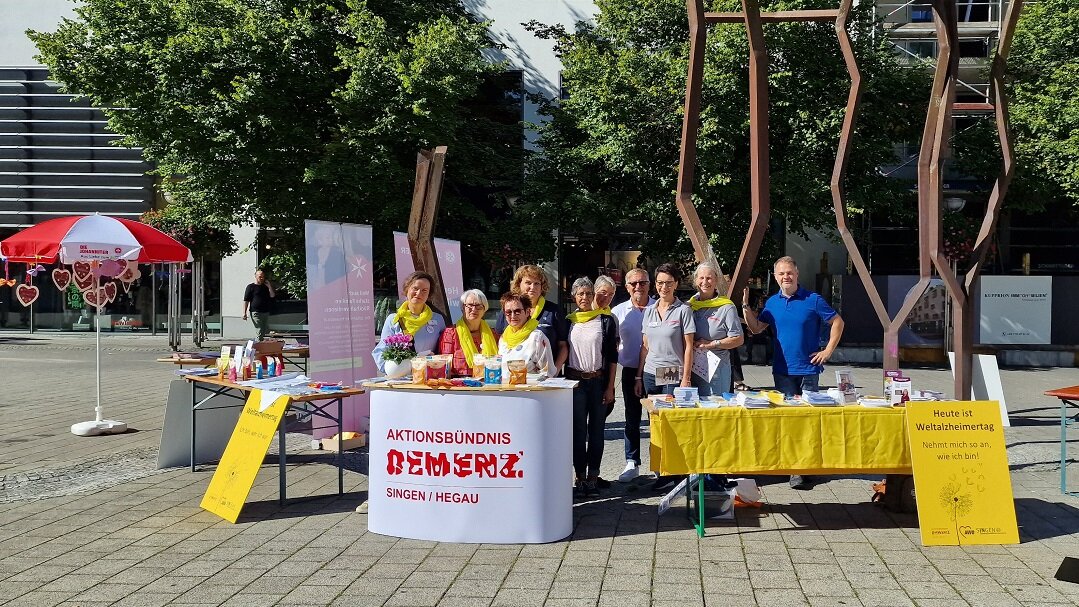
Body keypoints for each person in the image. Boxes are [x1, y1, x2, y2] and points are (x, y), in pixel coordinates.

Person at [743, 256, 845, 490]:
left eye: (789, 273)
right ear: (776, 277)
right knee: (788, 420)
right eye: (781, 274)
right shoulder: (772, 303)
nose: (786, 277)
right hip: (783, 371)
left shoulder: (813, 299)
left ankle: (804, 468)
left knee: (807, 420)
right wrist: (746, 306)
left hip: (808, 369)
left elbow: (838, 322)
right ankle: (793, 466)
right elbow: (756, 328)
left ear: (796, 274)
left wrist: (828, 350)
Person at [565, 278, 618, 498]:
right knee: (578, 432)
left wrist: (610, 387)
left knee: (597, 431)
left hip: (598, 382)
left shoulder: (606, 320)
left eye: (588, 293)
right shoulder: (569, 320)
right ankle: (580, 477)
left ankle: (594, 476)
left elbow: (613, 357)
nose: (585, 297)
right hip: (576, 383)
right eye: (580, 294)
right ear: (574, 297)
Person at [611, 268, 654, 482]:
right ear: (626, 287)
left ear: (649, 284)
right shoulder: (618, 311)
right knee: (632, 418)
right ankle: (632, 461)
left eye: (643, 282)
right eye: (634, 283)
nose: (639, 286)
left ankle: (659, 462)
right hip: (630, 370)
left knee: (657, 419)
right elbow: (611, 342)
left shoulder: (660, 307)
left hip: (657, 371)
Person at [495, 265, 568, 375]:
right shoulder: (508, 311)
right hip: (511, 376)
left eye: (537, 283)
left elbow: (563, 345)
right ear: (519, 284)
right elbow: (500, 344)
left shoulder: (553, 311)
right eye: (528, 283)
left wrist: (555, 370)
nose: (532, 287)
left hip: (546, 375)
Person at [372, 271, 447, 374]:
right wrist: (392, 370)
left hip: (428, 377)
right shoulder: (394, 319)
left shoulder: (438, 320)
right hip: (402, 378)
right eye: (415, 288)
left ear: (429, 294)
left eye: (424, 290)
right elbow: (381, 351)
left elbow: (443, 351)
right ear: (407, 289)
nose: (419, 293)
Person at [688, 262, 744, 398]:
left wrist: (712, 343)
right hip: (692, 369)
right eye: (701, 278)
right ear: (695, 280)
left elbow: (738, 339)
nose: (705, 282)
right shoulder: (689, 306)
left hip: (716, 371)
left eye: (709, 278)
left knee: (714, 411)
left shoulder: (726, 307)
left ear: (716, 281)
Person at [438, 289, 499, 377]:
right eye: (470, 305)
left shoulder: (493, 334)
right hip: (461, 386)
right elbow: (445, 367)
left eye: (479, 306)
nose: (474, 309)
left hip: (489, 383)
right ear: (463, 308)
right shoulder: (450, 334)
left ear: (484, 310)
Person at [497, 293, 556, 380]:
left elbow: (547, 373)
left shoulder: (537, 337)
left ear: (527, 312)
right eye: (508, 312)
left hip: (529, 391)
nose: (513, 316)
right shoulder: (503, 339)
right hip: (505, 390)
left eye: (517, 311)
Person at [242, 269, 275, 340]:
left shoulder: (265, 287)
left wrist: (269, 286)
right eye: (260, 276)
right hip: (255, 312)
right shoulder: (250, 287)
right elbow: (246, 300)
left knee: (263, 330)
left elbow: (272, 295)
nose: (262, 278)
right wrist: (244, 313)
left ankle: (260, 345)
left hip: (265, 312)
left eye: (263, 276)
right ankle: (258, 346)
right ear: (256, 277)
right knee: (259, 330)